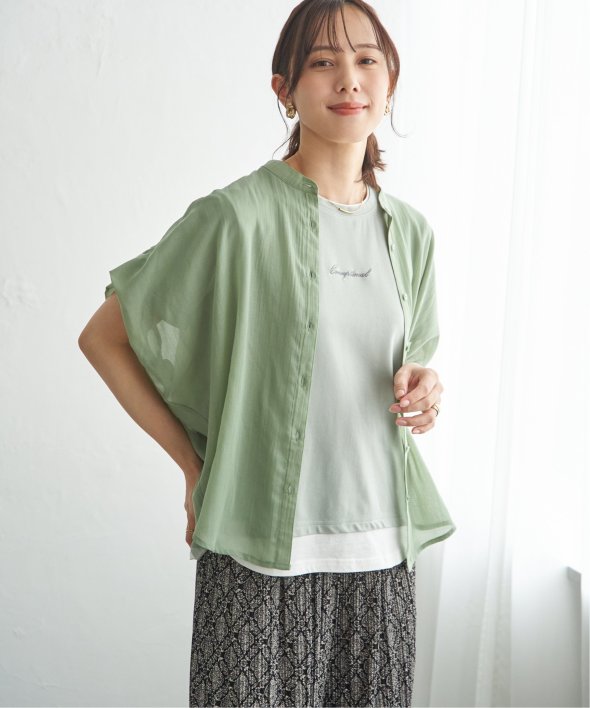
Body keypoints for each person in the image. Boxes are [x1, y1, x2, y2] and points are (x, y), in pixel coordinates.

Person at [78, 1, 456, 705]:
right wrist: (195, 468)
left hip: (382, 557)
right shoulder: (235, 217)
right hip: (256, 555)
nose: (349, 79)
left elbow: (406, 367)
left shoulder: (412, 234)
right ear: (284, 88)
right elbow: (104, 338)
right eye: (323, 61)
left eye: (366, 60)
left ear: (390, 81)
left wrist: (425, 389)